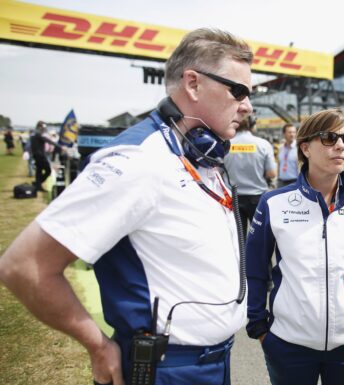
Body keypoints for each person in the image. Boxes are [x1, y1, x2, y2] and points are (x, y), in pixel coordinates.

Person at [0, 28, 253, 385]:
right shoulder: (139, 160)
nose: (247, 105)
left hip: (216, 361)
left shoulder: (201, 155)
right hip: (167, 368)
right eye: (238, 91)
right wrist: (98, 346)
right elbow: (24, 265)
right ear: (193, 83)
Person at [246, 108, 344, 385]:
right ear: (305, 147)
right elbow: (255, 268)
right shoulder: (274, 203)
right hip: (288, 344)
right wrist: (259, 326)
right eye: (330, 138)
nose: (341, 146)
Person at [224, 114, 277, 236]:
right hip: (257, 198)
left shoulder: (226, 144)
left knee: (238, 238)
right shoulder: (263, 144)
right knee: (258, 237)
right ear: (252, 124)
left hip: (233, 198)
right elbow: (271, 173)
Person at [30, 121, 52, 191]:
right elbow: (49, 141)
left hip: (39, 155)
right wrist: (61, 147)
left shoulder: (37, 134)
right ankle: (38, 184)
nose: (44, 129)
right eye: (42, 127)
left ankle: (37, 184)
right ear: (39, 127)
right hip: (40, 156)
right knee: (48, 170)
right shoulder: (37, 134)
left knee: (39, 171)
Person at [277, 123, 298, 187]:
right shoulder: (280, 148)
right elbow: (279, 164)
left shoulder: (299, 148)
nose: (292, 134)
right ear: (284, 134)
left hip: (295, 182)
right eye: (290, 132)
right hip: (281, 183)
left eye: (294, 132)